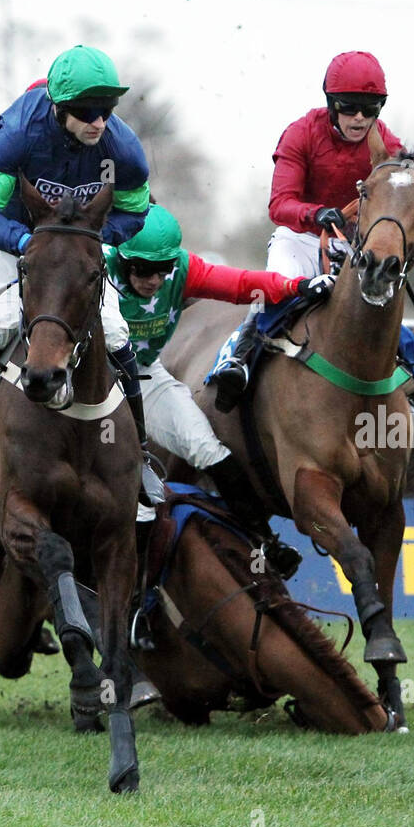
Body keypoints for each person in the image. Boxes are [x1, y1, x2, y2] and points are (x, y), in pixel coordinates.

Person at [0, 45, 156, 500]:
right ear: (58, 107)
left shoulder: (125, 152)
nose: (98, 123)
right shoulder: (18, 136)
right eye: (86, 112)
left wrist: (94, 244)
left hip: (74, 250)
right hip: (10, 235)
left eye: (106, 111)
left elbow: (134, 214)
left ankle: (141, 452)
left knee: (116, 330)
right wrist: (29, 243)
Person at [105, 203, 335, 582]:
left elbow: (240, 284)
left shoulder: (184, 269)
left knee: (208, 448)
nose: (153, 280)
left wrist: (297, 286)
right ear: (123, 258)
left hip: (143, 374)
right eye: (143, 269)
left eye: (162, 270)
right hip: (87, 382)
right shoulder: (97, 264)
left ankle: (266, 542)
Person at [210, 51, 414, 411]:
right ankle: (237, 359)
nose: (360, 118)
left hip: (352, 246)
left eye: (371, 109)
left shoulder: (387, 144)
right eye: (350, 107)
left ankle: (410, 389)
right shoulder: (301, 133)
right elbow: (279, 204)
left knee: (379, 307)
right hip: (299, 239)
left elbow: (400, 195)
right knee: (274, 293)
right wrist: (316, 213)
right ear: (330, 103)